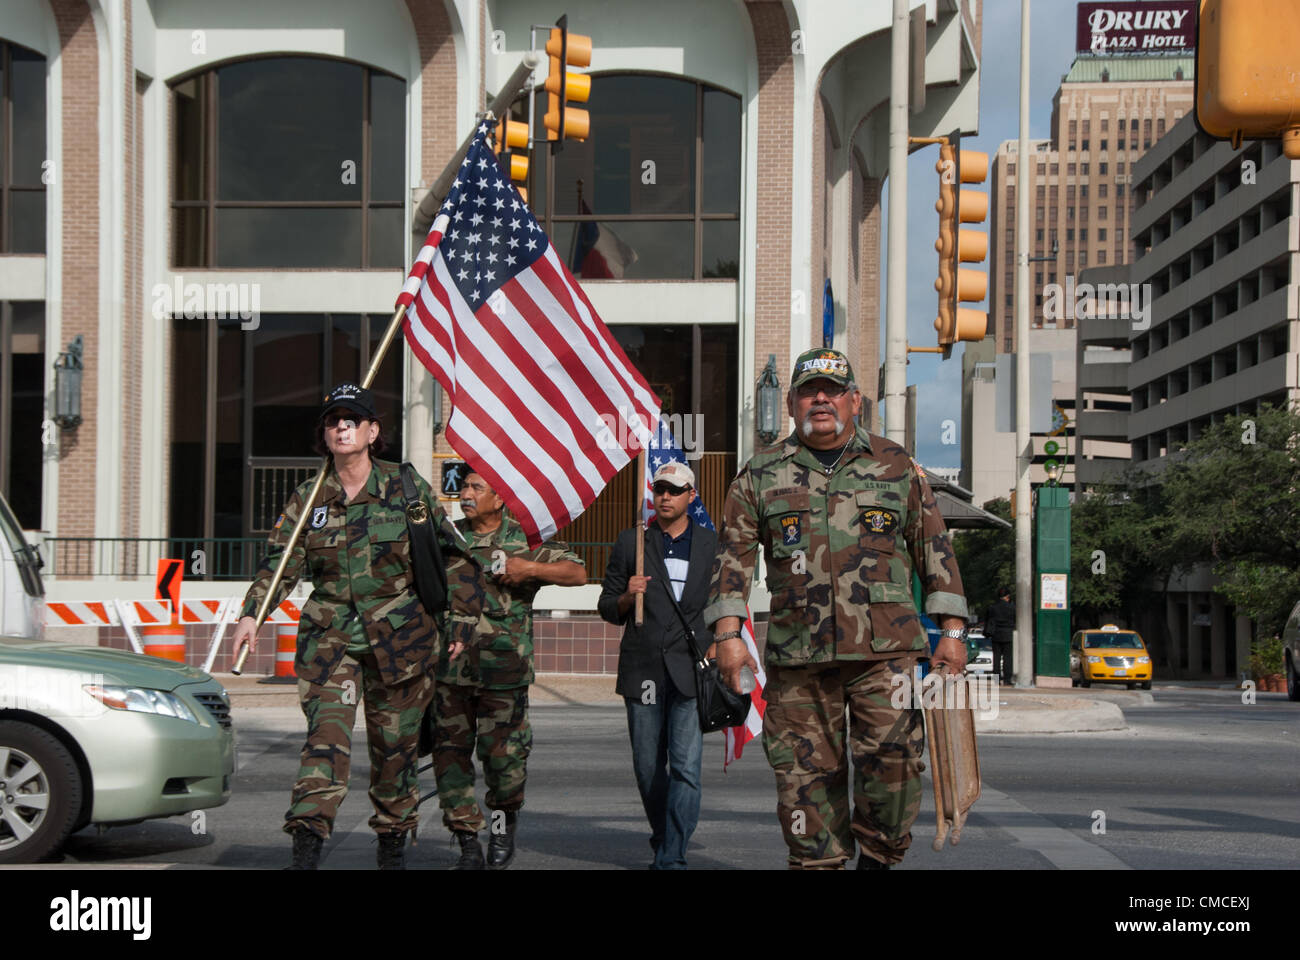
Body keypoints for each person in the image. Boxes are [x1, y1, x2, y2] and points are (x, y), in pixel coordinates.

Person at [704, 347, 969, 870]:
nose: (820, 398)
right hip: (798, 658)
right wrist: (728, 634)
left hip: (886, 655)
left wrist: (954, 634)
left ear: (855, 401)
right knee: (804, 783)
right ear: (791, 401)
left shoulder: (897, 467)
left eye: (832, 389)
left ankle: (877, 858)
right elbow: (731, 559)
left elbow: (935, 549)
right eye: (809, 390)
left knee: (893, 769)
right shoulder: (759, 474)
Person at [231, 383, 479, 870]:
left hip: (403, 645)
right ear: (324, 435)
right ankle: (306, 850)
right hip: (330, 646)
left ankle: (392, 848)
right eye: (332, 420)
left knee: (395, 755)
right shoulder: (309, 497)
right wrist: (251, 614)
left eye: (351, 419)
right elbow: (279, 563)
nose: (341, 426)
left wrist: (462, 620)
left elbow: (454, 557)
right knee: (324, 745)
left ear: (372, 431)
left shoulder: (406, 489)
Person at [433, 471, 586, 869]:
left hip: (504, 673)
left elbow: (577, 572)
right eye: (463, 487)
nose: (466, 494)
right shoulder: (448, 537)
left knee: (503, 764)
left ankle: (502, 827)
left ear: (500, 499)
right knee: (451, 762)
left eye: (476, 488)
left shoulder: (526, 537)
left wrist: (529, 569)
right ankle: (467, 841)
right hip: (450, 674)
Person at [598, 460, 719, 869]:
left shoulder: (709, 545)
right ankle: (666, 837)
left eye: (674, 490)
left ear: (692, 496)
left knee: (686, 768)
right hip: (643, 670)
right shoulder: (631, 542)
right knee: (648, 767)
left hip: (691, 671)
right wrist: (627, 597)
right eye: (659, 489)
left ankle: (672, 857)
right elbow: (606, 608)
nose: (665, 496)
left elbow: (722, 604)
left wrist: (722, 647)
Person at [984, 587, 1016, 685]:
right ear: (1007, 596)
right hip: (1008, 635)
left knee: (996, 658)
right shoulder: (1012, 607)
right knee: (1008, 659)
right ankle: (1007, 679)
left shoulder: (992, 607)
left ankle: (996, 680)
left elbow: (987, 620)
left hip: (996, 635)